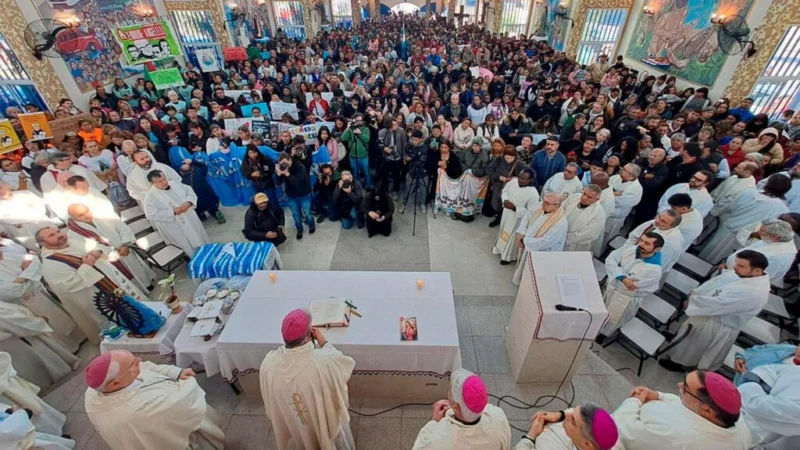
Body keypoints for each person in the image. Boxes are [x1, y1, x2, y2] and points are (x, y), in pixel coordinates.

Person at [84, 350, 225, 450]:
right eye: (133, 363)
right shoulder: (138, 411)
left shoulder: (96, 389)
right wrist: (188, 381)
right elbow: (184, 401)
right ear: (115, 383)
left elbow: (145, 366)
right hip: (173, 435)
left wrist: (175, 372)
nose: (139, 361)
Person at [259, 309, 356, 450]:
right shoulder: (323, 362)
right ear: (309, 334)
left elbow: (269, 402)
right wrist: (324, 342)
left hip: (292, 421)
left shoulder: (268, 363)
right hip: (321, 415)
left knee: (301, 431)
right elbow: (344, 364)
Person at [660, 250, 771, 372]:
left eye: (740, 265)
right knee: (688, 341)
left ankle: (682, 365)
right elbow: (718, 283)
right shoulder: (745, 276)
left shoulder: (754, 292)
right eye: (736, 263)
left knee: (694, 348)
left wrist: (693, 300)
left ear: (757, 271)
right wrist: (696, 293)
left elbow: (719, 304)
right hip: (707, 313)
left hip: (718, 323)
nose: (734, 267)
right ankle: (677, 355)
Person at [38, 227, 149, 343]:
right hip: (98, 296)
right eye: (51, 235)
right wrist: (87, 266)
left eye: (58, 231)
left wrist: (97, 252)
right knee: (124, 326)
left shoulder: (73, 241)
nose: (59, 235)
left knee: (139, 310)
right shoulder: (51, 264)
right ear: (43, 243)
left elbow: (97, 246)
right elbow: (69, 285)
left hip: (114, 282)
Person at [613, 371, 751, 449]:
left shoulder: (674, 437)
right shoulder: (737, 422)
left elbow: (621, 427)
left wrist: (634, 401)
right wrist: (658, 395)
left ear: (707, 410)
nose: (678, 385)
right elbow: (687, 404)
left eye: (685, 387)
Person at [698, 174, 791, 264]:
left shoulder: (748, 192)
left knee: (708, 259)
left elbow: (731, 207)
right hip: (741, 238)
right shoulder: (782, 209)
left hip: (737, 235)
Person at [412, 368, 511, 449]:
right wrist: (455, 410)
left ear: (456, 406)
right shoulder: (498, 416)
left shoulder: (440, 440)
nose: (449, 393)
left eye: (450, 390)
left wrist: (434, 422)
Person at [599, 232, 664, 338]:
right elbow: (610, 260)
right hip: (611, 288)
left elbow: (631, 285)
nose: (641, 244)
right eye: (641, 240)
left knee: (611, 321)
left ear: (657, 249)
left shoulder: (655, 270)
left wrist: (617, 271)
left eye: (647, 243)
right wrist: (623, 277)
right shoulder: (630, 249)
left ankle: (601, 338)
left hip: (625, 299)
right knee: (599, 314)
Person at [0, 352, 74, 444]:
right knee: (24, 420)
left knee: (35, 414)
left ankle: (56, 435)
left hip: (9, 387)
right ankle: (55, 439)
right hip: (4, 397)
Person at [143, 170, 210, 257]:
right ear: (152, 183)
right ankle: (195, 260)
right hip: (175, 225)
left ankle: (209, 253)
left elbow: (189, 191)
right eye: (160, 181)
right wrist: (173, 212)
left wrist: (189, 202)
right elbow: (151, 215)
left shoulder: (175, 184)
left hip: (189, 217)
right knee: (187, 245)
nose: (164, 182)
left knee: (199, 236)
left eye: (164, 179)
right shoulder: (150, 197)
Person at [738, 363, 800, 449]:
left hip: (748, 438)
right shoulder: (793, 369)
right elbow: (765, 370)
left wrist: (753, 384)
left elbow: (756, 406)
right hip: (734, 423)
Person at [512, 193, 569, 285]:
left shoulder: (560, 223)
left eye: (547, 203)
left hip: (542, 252)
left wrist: (525, 241)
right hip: (528, 245)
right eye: (543, 201)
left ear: (556, 206)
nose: (543, 204)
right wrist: (521, 232)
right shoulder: (542, 208)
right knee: (524, 267)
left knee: (536, 277)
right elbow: (527, 215)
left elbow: (547, 241)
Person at [514, 402, 619, 450]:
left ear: (586, 444)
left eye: (572, 421)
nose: (567, 415)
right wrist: (558, 415)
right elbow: (574, 412)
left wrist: (531, 436)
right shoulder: (597, 438)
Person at [722, 219, 797, 284]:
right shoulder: (772, 239)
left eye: (762, 230)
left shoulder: (776, 256)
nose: (758, 232)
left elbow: (753, 278)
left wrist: (726, 271)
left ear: (774, 236)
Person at [492, 170, 540, 265]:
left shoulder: (533, 193)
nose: (520, 180)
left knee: (511, 238)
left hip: (517, 220)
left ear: (530, 180)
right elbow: (505, 191)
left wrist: (515, 208)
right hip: (506, 214)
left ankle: (507, 257)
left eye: (523, 179)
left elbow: (531, 213)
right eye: (520, 177)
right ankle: (498, 249)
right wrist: (505, 200)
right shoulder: (513, 182)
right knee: (502, 231)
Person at [0, 181, 57, 250]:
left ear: (8, 187)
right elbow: (6, 221)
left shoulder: (25, 193)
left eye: (0, 188)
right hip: (24, 234)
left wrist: (20, 219)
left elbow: (40, 207)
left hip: (44, 225)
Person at [625, 209, 684, 274]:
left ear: (672, 226)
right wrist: (626, 252)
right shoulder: (657, 223)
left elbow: (658, 263)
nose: (657, 220)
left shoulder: (670, 243)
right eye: (659, 216)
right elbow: (634, 235)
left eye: (663, 221)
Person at [602, 164, 643, 249]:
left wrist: (609, 194)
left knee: (604, 240)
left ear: (631, 175)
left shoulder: (636, 188)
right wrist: (613, 194)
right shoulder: (615, 177)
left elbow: (620, 202)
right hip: (602, 211)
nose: (621, 169)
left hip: (614, 217)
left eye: (624, 169)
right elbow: (603, 189)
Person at [275, 151, 315, 239]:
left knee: (307, 213)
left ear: (290, 160)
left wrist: (287, 174)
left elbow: (298, 183)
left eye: (286, 163)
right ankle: (299, 229)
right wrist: (278, 174)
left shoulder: (299, 166)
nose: (284, 165)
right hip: (291, 195)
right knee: (296, 214)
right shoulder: (282, 168)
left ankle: (311, 225)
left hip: (304, 194)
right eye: (282, 164)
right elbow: (278, 183)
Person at [488, 146, 528, 227]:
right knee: (497, 203)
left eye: (511, 158)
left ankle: (505, 221)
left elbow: (529, 175)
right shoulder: (498, 160)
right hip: (499, 187)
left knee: (507, 205)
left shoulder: (519, 163)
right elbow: (489, 170)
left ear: (515, 156)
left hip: (512, 190)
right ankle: (498, 218)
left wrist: (517, 178)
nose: (508, 160)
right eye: (506, 157)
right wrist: (499, 177)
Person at [563, 185, 607, 251]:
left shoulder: (598, 215)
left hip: (574, 245)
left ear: (596, 199)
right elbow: (561, 210)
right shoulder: (574, 197)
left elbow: (587, 235)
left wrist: (564, 238)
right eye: (584, 194)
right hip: (559, 234)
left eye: (589, 197)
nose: (584, 198)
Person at [732, 343, 799, 386]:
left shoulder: (795, 376)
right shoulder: (788, 348)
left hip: (745, 400)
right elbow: (757, 349)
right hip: (735, 383)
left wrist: (745, 375)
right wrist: (741, 358)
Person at [40, 152, 106, 194]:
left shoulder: (79, 168)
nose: (71, 160)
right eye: (68, 159)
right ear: (58, 162)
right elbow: (50, 195)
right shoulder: (47, 177)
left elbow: (95, 182)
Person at [401, 129, 429, 214]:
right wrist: (405, 158)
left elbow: (420, 162)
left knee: (423, 190)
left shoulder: (424, 149)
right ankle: (404, 204)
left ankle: (422, 204)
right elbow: (405, 155)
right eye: (413, 139)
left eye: (416, 140)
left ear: (421, 139)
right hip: (411, 171)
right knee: (408, 189)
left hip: (422, 172)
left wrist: (411, 159)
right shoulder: (407, 146)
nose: (414, 141)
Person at [341, 113, 371, 187]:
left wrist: (360, 133)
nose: (359, 122)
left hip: (363, 156)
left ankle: (368, 185)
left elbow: (367, 140)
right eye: (357, 120)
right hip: (353, 156)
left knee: (366, 172)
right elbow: (343, 138)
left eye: (360, 120)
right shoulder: (350, 129)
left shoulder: (366, 129)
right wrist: (347, 128)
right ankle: (357, 186)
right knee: (355, 173)